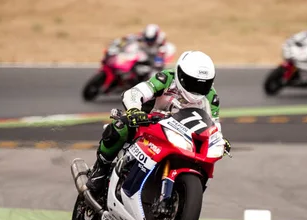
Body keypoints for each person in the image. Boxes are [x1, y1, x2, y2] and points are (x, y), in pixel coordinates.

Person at [85, 50, 231, 200]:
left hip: (183, 136)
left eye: (203, 85)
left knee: (204, 159)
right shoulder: (166, 79)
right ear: (180, 75)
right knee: (121, 126)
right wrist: (135, 110)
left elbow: (214, 124)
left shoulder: (211, 97)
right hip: (149, 124)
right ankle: (100, 170)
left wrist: (219, 139)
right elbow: (135, 92)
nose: (197, 89)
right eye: (192, 82)